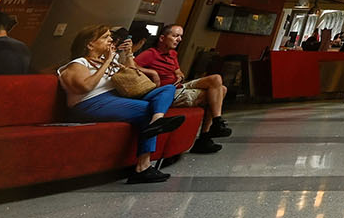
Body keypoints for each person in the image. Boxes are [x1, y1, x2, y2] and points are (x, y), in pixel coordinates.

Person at [58, 25, 186, 184]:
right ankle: (143, 167)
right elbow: (85, 87)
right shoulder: (78, 63)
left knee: (167, 89)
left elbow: (132, 73)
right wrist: (107, 63)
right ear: (90, 44)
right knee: (148, 109)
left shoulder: (107, 61)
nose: (110, 40)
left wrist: (128, 54)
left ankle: (157, 120)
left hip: (114, 98)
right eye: (105, 37)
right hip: (89, 103)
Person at [133, 24, 231, 153]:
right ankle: (205, 137)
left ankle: (216, 123)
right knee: (220, 92)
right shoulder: (150, 54)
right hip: (168, 93)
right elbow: (131, 66)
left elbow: (178, 71)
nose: (179, 39)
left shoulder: (173, 54)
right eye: (175, 36)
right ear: (162, 38)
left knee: (217, 80)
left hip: (180, 86)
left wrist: (179, 74)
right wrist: (152, 72)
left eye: (180, 36)